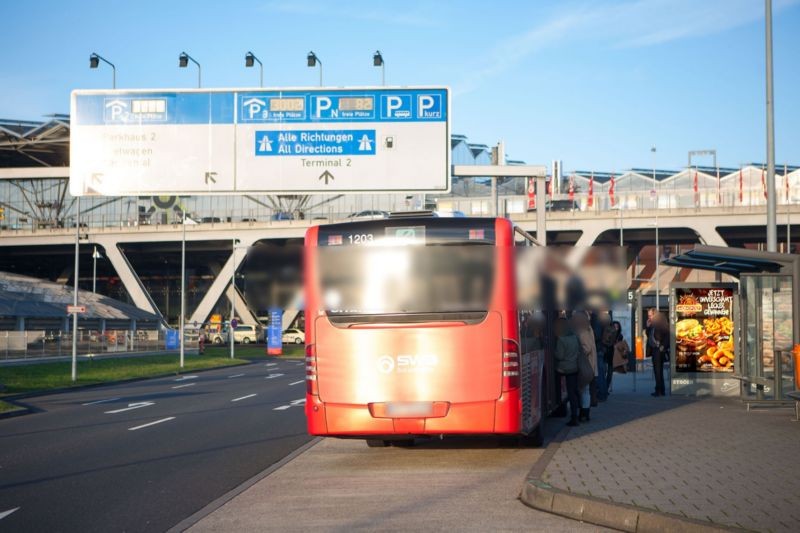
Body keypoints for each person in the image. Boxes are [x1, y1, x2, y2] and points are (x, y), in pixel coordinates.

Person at [554, 318, 582, 426]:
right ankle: (578, 412)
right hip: (574, 367)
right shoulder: (575, 337)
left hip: (564, 369)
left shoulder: (561, 339)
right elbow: (579, 350)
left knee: (569, 393)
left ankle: (572, 417)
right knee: (574, 391)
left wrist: (554, 352)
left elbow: (559, 356)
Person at [572, 311, 597, 421]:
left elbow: (587, 348)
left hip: (586, 365)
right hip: (589, 364)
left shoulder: (582, 331)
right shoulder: (588, 329)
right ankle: (584, 413)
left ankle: (584, 413)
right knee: (585, 390)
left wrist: (576, 352)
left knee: (584, 390)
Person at [650, 313, 669, 396]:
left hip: (658, 350)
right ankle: (660, 389)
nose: (652, 318)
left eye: (654, 317)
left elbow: (667, 337)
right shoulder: (655, 326)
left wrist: (663, 346)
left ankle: (659, 390)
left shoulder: (662, 326)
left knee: (658, 371)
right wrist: (648, 326)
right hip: (655, 350)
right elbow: (649, 335)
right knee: (658, 371)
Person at [608, 320, 629, 391]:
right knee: (607, 372)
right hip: (608, 355)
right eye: (614, 326)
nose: (616, 328)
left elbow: (620, 345)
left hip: (615, 355)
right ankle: (606, 387)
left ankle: (607, 387)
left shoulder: (620, 336)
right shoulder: (608, 334)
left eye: (617, 327)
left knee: (610, 373)